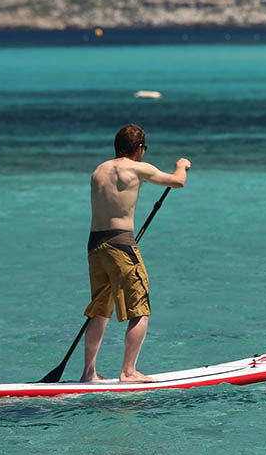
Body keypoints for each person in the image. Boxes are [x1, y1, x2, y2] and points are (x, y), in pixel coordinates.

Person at [81, 123, 191, 382]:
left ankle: (89, 373)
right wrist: (182, 164)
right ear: (140, 148)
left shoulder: (99, 170)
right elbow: (178, 182)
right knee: (140, 309)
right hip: (121, 244)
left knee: (100, 310)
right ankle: (128, 372)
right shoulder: (138, 167)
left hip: (95, 246)